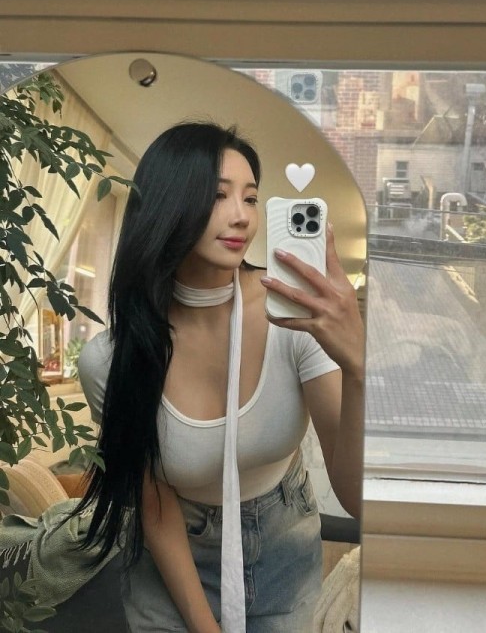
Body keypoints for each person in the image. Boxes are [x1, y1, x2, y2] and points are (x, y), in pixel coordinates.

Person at [75, 122, 364, 633]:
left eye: (251, 198)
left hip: (284, 547)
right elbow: (154, 500)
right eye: (218, 196)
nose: (242, 216)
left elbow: (354, 496)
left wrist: (358, 366)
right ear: (167, 203)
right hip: (171, 563)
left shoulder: (294, 321)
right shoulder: (111, 360)